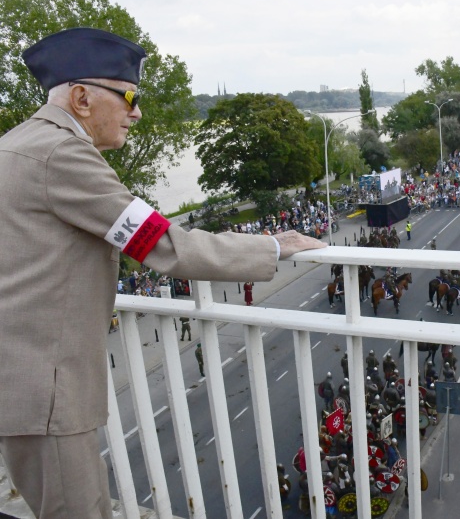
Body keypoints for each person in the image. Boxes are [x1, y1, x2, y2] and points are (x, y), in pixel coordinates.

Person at [0, 28, 325, 519]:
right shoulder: (63, 155)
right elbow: (164, 244)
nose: (137, 112)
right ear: (82, 98)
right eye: (129, 96)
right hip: (48, 393)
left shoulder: (15, 145)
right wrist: (274, 245)